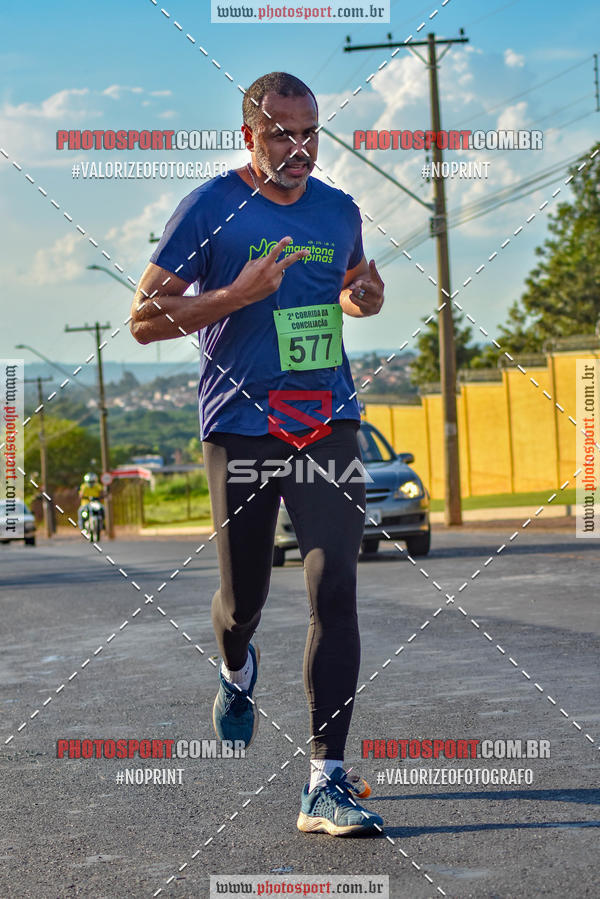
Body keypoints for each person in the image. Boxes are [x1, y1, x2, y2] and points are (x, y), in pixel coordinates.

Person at [131, 72, 385, 836]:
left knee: (333, 584)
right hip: (241, 426)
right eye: (282, 132)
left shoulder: (340, 210)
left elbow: (348, 287)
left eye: (311, 132)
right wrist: (234, 295)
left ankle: (325, 780)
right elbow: (145, 319)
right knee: (244, 603)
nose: (299, 147)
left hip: (325, 420)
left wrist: (361, 297)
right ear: (249, 133)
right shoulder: (211, 207)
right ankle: (236, 668)